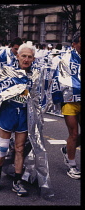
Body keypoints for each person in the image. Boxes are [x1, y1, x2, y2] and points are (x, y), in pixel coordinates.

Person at [0, 43, 37, 196]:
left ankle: (17, 181)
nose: (26, 59)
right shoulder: (8, 72)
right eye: (23, 56)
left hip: (23, 115)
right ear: (17, 56)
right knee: (3, 146)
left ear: (33, 59)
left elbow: (38, 97)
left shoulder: (35, 75)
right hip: (8, 112)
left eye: (29, 57)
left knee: (20, 148)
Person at [51, 31, 81, 179]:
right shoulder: (65, 59)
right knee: (74, 134)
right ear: (74, 44)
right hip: (70, 101)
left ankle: (66, 149)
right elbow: (62, 80)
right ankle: (72, 165)